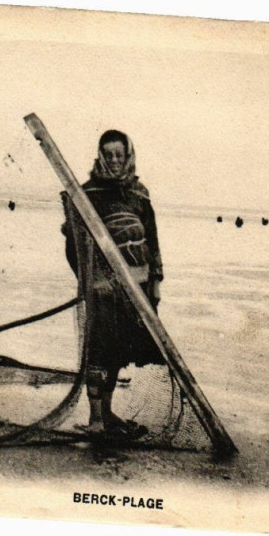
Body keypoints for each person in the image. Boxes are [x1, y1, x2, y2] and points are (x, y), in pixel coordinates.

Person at [62, 129, 164, 438]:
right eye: (109, 155)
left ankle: (107, 412)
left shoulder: (139, 194)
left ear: (128, 156)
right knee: (101, 349)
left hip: (137, 286)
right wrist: (92, 280)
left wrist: (156, 283)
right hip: (103, 289)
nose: (115, 161)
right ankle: (96, 418)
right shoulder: (87, 195)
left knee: (120, 350)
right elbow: (74, 246)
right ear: (101, 157)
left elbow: (153, 240)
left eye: (120, 154)